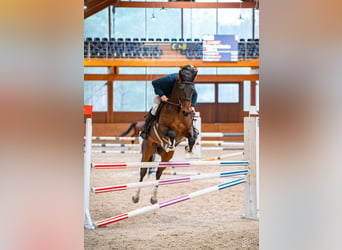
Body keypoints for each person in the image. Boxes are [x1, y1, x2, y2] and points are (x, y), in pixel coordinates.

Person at [140, 64, 198, 139]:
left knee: (187, 111)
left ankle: (192, 129)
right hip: (163, 95)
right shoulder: (171, 78)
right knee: (155, 108)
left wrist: (192, 106)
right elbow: (155, 83)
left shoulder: (189, 83)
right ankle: (145, 130)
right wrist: (162, 95)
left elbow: (195, 94)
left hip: (178, 99)